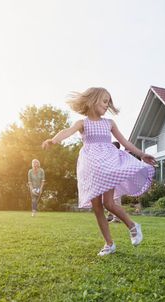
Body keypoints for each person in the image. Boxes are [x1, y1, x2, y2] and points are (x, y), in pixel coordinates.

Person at [42, 87, 156, 256]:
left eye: (108, 102)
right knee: (97, 207)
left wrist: (141, 154)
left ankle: (132, 226)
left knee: (108, 203)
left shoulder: (109, 123)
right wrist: (54, 140)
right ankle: (109, 244)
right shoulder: (82, 123)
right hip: (91, 168)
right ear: (92, 100)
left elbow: (125, 142)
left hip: (108, 165)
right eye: (104, 101)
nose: (106, 105)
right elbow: (67, 131)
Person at [107, 141, 122, 223]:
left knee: (116, 198)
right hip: (110, 179)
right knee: (109, 199)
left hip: (116, 179)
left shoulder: (118, 155)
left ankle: (117, 218)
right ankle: (110, 216)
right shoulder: (111, 155)